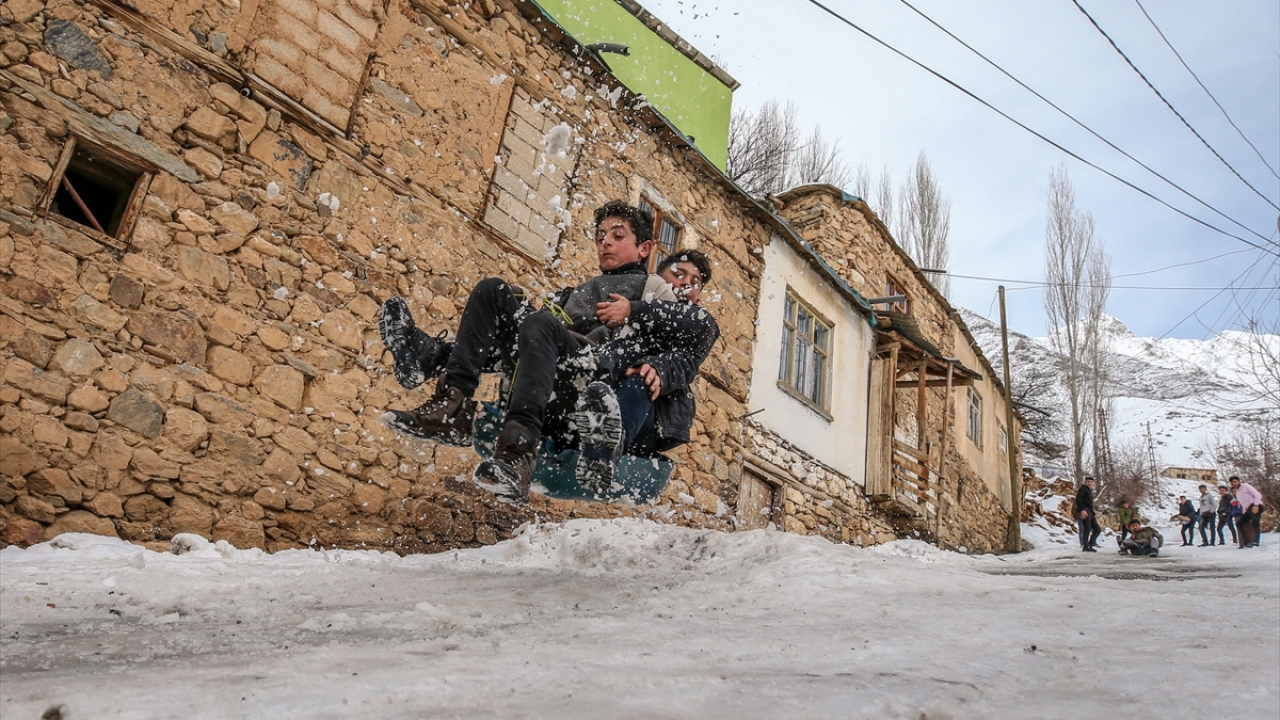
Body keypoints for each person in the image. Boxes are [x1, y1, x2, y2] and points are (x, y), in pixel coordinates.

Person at [378, 200, 677, 501]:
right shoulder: (575, 293)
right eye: (600, 236)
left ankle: (519, 446)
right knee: (494, 290)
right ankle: (452, 403)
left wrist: (655, 366)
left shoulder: (653, 289)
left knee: (540, 323)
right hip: (550, 377)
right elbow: (530, 346)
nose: (605, 242)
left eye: (618, 235)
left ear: (644, 248)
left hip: (592, 389)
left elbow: (676, 344)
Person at [572, 250, 719, 491]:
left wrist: (657, 367)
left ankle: (603, 458)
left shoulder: (696, 326)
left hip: (646, 419)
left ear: (698, 299)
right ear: (656, 279)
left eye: (695, 282)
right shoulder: (622, 307)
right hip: (596, 403)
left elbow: (684, 362)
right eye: (679, 274)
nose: (686, 284)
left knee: (643, 378)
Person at [1229, 476, 1264, 549]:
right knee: (1239, 523)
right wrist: (1244, 513)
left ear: (1238, 481)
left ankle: (1256, 542)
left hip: (1255, 505)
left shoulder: (1245, 486)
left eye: (1235, 481)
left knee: (1255, 522)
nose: (1234, 483)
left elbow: (1257, 495)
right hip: (1247, 509)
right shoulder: (1237, 492)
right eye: (1232, 482)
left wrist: (1256, 505)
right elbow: (1243, 504)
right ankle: (1246, 542)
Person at [1075, 477, 1101, 552]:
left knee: (1097, 529)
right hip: (1085, 510)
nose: (1089, 483)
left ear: (1093, 483)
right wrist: (1082, 510)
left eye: (1091, 482)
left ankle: (1090, 544)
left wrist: (1092, 512)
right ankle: (1086, 546)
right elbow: (1078, 499)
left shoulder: (1089, 490)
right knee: (1087, 529)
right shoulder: (1083, 489)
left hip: (1090, 511)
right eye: (1088, 481)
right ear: (1085, 482)